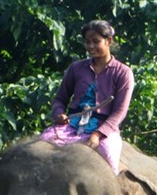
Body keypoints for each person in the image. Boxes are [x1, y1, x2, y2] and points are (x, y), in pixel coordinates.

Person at [39, 20, 134, 174]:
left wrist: (97, 135)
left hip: (104, 129)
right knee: (43, 144)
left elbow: (120, 112)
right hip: (72, 125)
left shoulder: (123, 73)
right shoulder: (76, 68)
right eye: (87, 42)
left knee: (109, 159)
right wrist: (59, 114)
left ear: (109, 41)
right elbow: (59, 99)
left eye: (96, 41)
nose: (90, 46)